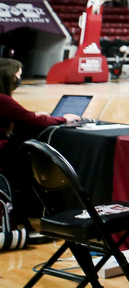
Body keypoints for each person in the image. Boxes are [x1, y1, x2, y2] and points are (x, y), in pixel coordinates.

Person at [1, 59, 81, 223]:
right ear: (9, 77)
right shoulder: (3, 100)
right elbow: (33, 121)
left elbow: (22, 115)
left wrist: (36, 114)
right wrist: (62, 119)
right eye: (18, 76)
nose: (19, 79)